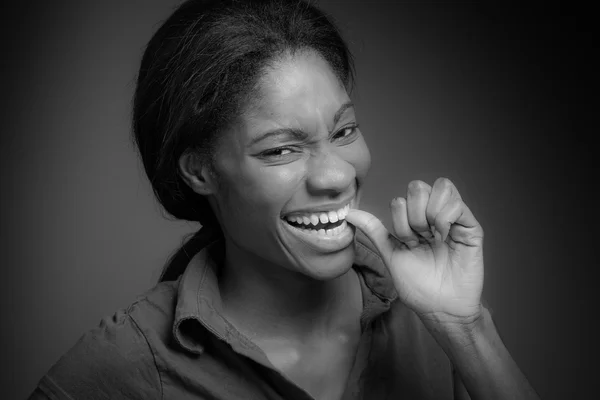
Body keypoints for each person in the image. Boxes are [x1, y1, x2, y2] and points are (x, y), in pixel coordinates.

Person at [29, 0, 541, 399]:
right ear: (199, 170)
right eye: (281, 149)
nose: (338, 175)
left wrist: (464, 328)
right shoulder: (127, 364)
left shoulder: (426, 317)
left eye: (344, 131)